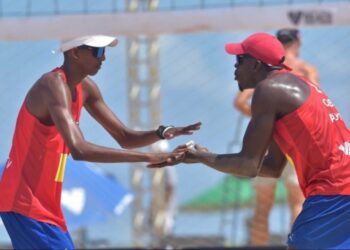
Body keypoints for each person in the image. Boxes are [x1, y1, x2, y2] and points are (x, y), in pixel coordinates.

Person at [150, 32, 350, 249]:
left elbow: (247, 164)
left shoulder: (269, 90)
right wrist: (204, 158)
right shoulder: (297, 82)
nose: (234, 69)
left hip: (336, 191)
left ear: (256, 64)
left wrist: (200, 157)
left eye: (239, 61)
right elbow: (273, 167)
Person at [0, 35, 201, 249]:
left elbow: (124, 137)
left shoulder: (85, 88)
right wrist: (151, 156)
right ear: (75, 52)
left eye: (104, 50)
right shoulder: (52, 85)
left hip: (46, 207)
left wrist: (162, 132)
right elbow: (80, 149)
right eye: (97, 51)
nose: (103, 57)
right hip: (24, 202)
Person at [233, 28, 319, 245]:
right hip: (295, 145)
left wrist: (267, 119)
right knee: (297, 205)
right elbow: (314, 107)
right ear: (297, 43)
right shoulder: (305, 70)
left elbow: (239, 102)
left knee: (261, 209)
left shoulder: (268, 68)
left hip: (267, 143)